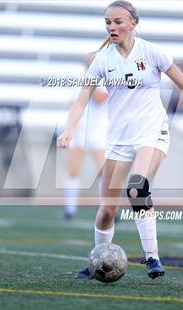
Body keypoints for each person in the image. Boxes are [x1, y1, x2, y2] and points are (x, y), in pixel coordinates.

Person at [57, 0, 183, 279]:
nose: (112, 27)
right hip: (118, 140)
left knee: (137, 189)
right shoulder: (102, 60)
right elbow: (81, 102)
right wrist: (69, 129)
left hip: (152, 132)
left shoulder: (152, 53)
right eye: (108, 22)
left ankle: (152, 259)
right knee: (106, 211)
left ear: (133, 24)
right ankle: (99, 260)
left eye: (118, 22)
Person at [63, 53, 109, 221]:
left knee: (104, 171)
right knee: (73, 170)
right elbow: (72, 104)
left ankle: (108, 209)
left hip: (98, 130)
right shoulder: (80, 82)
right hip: (81, 130)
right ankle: (70, 209)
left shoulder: (105, 82)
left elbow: (99, 99)